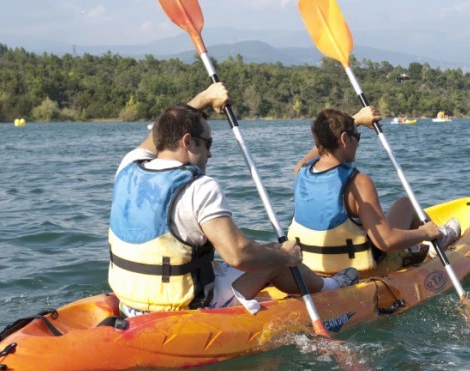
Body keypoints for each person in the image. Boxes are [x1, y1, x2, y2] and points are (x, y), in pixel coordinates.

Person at [108, 83, 359, 317]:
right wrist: (285, 256)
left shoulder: (128, 165)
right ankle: (332, 286)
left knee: (248, 254)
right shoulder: (199, 187)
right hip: (185, 309)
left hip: (130, 304)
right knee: (276, 257)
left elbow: (165, 128)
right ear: (187, 142)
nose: (210, 153)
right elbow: (238, 255)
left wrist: (205, 98)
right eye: (208, 143)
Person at [288, 107, 460, 279]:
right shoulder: (358, 183)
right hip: (362, 271)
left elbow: (316, 150)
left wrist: (357, 120)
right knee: (406, 204)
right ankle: (437, 239)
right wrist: (425, 233)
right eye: (357, 136)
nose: (358, 142)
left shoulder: (300, 172)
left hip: (314, 270)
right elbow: (385, 242)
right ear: (344, 139)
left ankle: (416, 247)